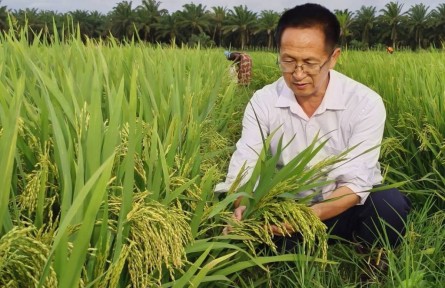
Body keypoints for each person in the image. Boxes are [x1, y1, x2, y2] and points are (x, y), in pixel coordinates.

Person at [215, 4, 410, 252]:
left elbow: (356, 181)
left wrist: (307, 217)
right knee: (246, 236)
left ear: (333, 58)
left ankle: (373, 260)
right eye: (287, 61)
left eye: (309, 63)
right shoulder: (263, 101)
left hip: (342, 207)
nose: (298, 74)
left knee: (389, 204)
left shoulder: (364, 103)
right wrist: (245, 205)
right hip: (285, 208)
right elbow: (245, 165)